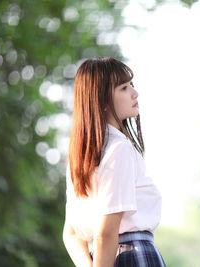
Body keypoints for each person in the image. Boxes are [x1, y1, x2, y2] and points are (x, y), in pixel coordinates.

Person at [62, 57, 166, 267]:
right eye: (124, 88)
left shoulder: (80, 158)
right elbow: (106, 232)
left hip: (105, 258)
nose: (134, 93)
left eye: (131, 86)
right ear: (103, 100)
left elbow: (72, 235)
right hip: (133, 255)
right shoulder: (118, 149)